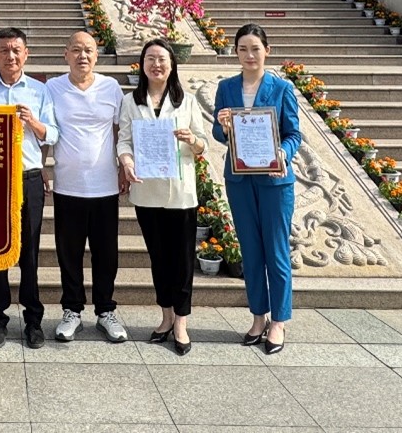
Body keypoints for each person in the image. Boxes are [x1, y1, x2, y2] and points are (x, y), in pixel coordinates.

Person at [212, 22, 303, 355]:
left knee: (276, 253)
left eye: (255, 49)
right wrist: (223, 127)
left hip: (275, 181)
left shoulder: (282, 89)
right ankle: (257, 316)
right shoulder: (226, 87)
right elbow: (218, 133)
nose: (249, 55)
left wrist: (283, 153)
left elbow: (294, 134)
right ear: (236, 53)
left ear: (267, 51)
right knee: (250, 253)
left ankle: (279, 321)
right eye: (242, 49)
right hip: (239, 179)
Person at [117, 36, 208, 356]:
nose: (156, 65)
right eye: (150, 59)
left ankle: (181, 321)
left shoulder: (187, 101)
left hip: (180, 193)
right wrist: (126, 161)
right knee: (158, 258)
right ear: (142, 65)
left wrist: (191, 140)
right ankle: (166, 315)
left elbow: (203, 145)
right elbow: (124, 140)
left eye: (162, 59)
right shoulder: (131, 101)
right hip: (146, 191)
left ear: (172, 65)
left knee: (182, 260)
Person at [0, 26, 59, 349]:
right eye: (4, 50)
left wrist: (32, 122)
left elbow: (53, 134)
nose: (11, 56)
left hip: (28, 179)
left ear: (26, 54)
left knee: (29, 253)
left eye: (16, 50)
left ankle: (33, 320)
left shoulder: (39, 90)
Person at [46, 29, 128, 343]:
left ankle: (106, 311)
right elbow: (47, 129)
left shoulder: (111, 87)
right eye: (77, 50)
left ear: (96, 55)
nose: (83, 56)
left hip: (104, 186)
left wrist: (123, 166)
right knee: (69, 253)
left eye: (89, 50)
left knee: (106, 254)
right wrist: (42, 166)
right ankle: (72, 311)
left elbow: (120, 131)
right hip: (68, 186)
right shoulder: (53, 87)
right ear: (65, 54)